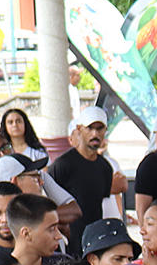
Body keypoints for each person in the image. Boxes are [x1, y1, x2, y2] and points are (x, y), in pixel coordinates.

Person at [49, 107, 125, 254]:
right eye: (90, 128)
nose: (95, 133)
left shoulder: (105, 168)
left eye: (99, 128)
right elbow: (48, 204)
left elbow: (97, 205)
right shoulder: (63, 165)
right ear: (79, 129)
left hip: (92, 243)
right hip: (65, 243)